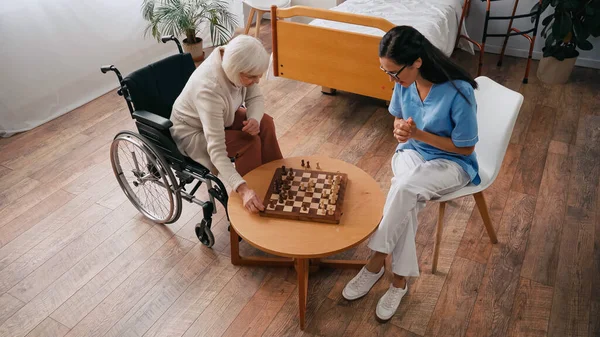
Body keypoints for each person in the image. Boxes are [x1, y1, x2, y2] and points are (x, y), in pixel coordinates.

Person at [342, 26, 480, 321]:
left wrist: (420, 134)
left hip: (452, 163)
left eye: (394, 72)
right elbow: (398, 121)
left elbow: (465, 149)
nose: (391, 79)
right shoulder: (403, 81)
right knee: (407, 197)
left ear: (417, 61)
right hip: (412, 154)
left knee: (403, 190)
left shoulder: (459, 91)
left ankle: (375, 261)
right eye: (386, 72)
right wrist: (401, 131)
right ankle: (399, 281)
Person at [170, 35, 282, 213]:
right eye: (253, 77)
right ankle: (252, 197)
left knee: (265, 122)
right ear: (237, 72)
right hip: (193, 131)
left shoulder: (237, 58)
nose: (258, 81)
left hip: (222, 116)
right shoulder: (209, 89)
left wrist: (253, 119)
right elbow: (217, 151)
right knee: (248, 143)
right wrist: (242, 189)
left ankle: (278, 178)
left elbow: (255, 97)